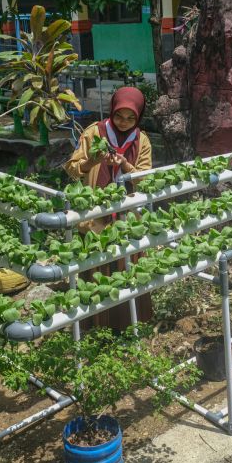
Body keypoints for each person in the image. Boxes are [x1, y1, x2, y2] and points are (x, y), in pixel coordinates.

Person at [64, 87, 153, 330]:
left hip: (127, 216)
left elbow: (146, 178)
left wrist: (125, 164)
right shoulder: (95, 132)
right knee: (97, 267)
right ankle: (96, 327)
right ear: (112, 111)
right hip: (96, 215)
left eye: (130, 118)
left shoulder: (141, 140)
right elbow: (72, 168)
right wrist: (92, 161)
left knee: (128, 266)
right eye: (119, 116)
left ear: (138, 117)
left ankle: (129, 326)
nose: (124, 123)